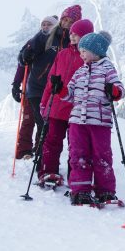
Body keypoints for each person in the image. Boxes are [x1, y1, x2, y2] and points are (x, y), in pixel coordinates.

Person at [12, 6, 81, 159]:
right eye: (65, 20)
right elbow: (24, 57)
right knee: (41, 123)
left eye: (71, 21)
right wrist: (26, 56)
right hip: (38, 88)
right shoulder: (45, 36)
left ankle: (41, 156)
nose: (67, 23)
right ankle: (35, 156)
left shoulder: (75, 41)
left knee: (49, 128)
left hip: (58, 91)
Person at [64, 31, 125, 206]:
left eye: (84, 50)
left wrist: (113, 90)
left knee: (102, 156)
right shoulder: (79, 72)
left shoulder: (107, 68)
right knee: (78, 155)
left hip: (99, 121)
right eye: (80, 51)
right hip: (77, 121)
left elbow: (120, 89)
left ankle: (105, 190)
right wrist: (60, 89)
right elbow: (69, 94)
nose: (81, 54)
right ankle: (80, 191)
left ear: (96, 51)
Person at [36, 18, 95, 186]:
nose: (72, 37)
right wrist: (45, 101)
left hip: (78, 110)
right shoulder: (62, 54)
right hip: (57, 107)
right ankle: (49, 172)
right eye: (71, 34)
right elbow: (50, 80)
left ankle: (75, 175)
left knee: (76, 145)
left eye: (76, 34)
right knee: (52, 141)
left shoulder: (89, 57)